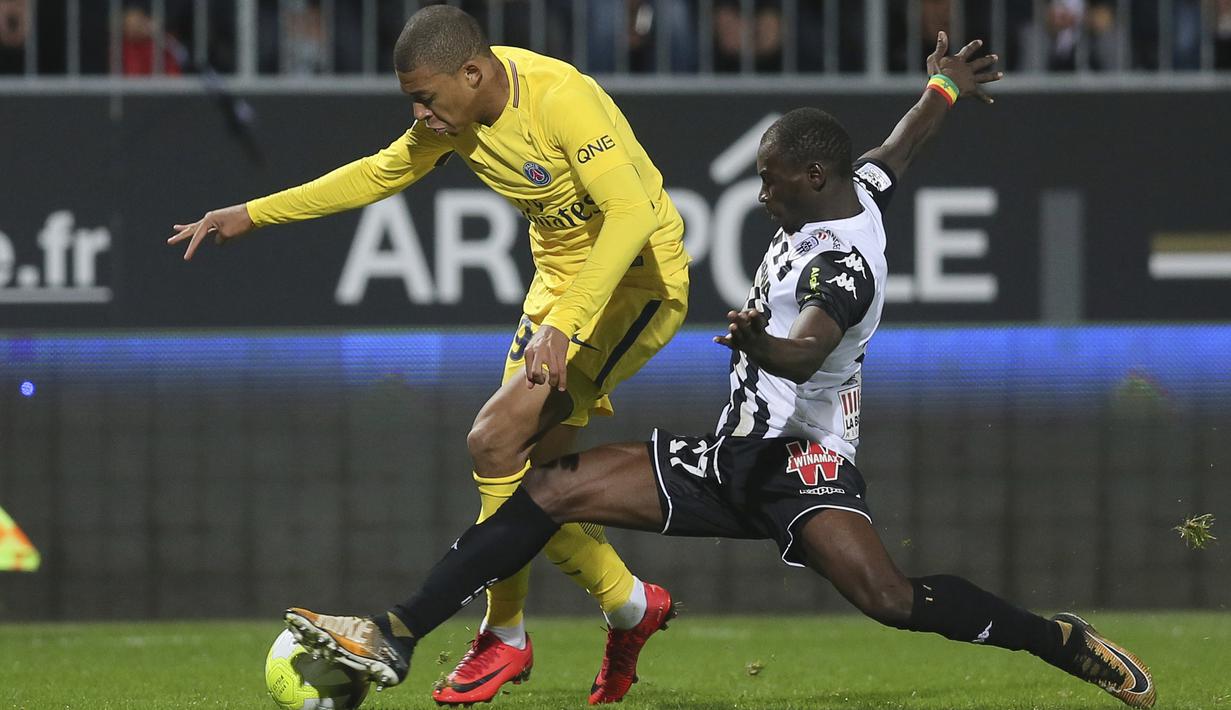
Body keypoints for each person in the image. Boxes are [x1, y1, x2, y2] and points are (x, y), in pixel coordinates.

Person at [282, 32, 1156, 709]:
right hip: (731, 454)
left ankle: (1058, 642)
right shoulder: (855, 189)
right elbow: (899, 149)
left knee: (889, 599)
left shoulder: (840, 268)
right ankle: (396, 633)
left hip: (797, 464)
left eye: (771, 183)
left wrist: (753, 344)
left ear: (812, 177)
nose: (761, 194)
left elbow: (808, 346)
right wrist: (944, 88)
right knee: (546, 488)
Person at [167, 5, 689, 706]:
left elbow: (627, 215)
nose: (419, 114)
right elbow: (377, 174)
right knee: (534, 479)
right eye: (412, 99)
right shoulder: (457, 115)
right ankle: (627, 605)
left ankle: (506, 636)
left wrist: (564, 325)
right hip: (559, 292)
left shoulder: (560, 99)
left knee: (495, 441)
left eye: (426, 97)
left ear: (472, 73)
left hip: (635, 282)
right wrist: (254, 212)